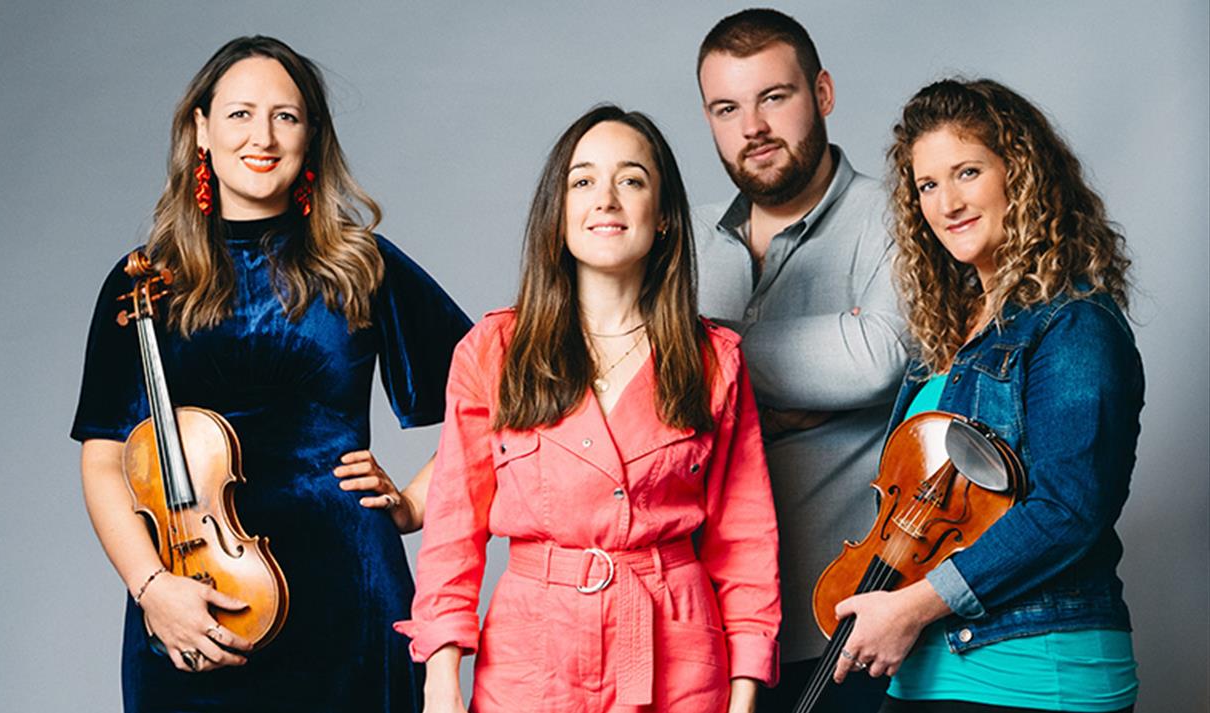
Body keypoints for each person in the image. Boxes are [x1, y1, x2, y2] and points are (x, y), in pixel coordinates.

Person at [71, 36, 471, 712]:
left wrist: (411, 504)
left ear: (311, 136)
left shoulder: (361, 264)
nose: (263, 135)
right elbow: (106, 460)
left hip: (353, 601)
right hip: (194, 602)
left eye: (286, 116)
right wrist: (152, 588)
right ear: (201, 128)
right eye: (240, 115)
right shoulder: (144, 281)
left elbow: (495, 398)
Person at [393, 105, 781, 713]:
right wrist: (440, 678)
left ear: (665, 220)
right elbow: (452, 530)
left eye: (631, 179)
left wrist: (744, 693)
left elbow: (746, 543)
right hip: (531, 654)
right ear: (559, 215)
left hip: (676, 652)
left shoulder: (715, 361)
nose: (606, 198)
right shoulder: (494, 351)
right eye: (582, 181)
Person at [830, 78, 1141, 713]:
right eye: (927, 185)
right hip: (929, 671)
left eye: (966, 172)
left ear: (1018, 175)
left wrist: (911, 607)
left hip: (1032, 673)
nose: (947, 202)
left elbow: (1069, 510)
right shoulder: (944, 338)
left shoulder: (1074, 321)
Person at [693, 9, 909, 711]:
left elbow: (879, 356)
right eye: (727, 107)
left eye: (773, 97)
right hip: (705, 631)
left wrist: (705, 356)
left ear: (822, 93)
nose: (751, 126)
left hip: (846, 629)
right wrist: (794, 396)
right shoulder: (682, 242)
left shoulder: (900, 217)